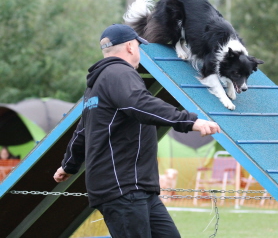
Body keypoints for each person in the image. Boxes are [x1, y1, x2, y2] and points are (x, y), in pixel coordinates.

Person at [53, 24, 221, 238]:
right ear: (131, 47)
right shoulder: (119, 73)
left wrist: (69, 165)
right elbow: (139, 104)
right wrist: (189, 121)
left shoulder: (95, 87)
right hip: (122, 188)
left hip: (137, 187)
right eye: (139, 47)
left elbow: (82, 132)